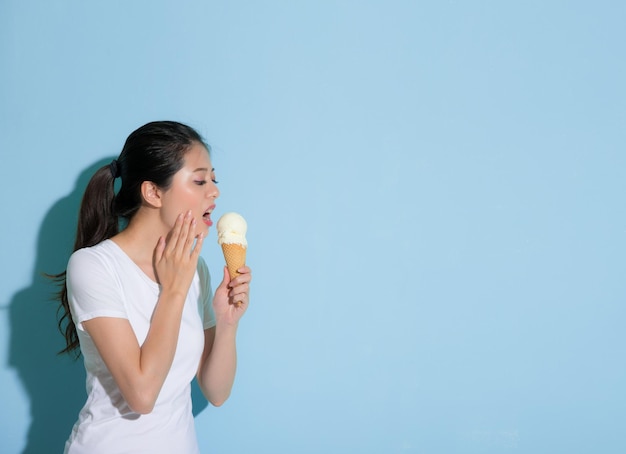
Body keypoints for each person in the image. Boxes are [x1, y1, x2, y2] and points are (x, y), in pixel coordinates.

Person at [53, 121, 252, 454]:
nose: (214, 191)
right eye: (200, 180)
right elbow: (142, 395)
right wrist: (173, 291)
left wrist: (228, 323)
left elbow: (217, 393)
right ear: (153, 192)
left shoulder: (195, 268)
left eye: (213, 180)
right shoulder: (94, 267)